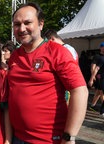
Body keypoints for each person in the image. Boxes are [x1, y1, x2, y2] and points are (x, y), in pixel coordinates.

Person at [9, 2, 88, 144]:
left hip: (48, 139)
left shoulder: (57, 52)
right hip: (17, 137)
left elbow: (80, 91)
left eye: (27, 23)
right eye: (17, 24)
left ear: (40, 24)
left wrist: (69, 136)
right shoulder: (14, 56)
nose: (21, 29)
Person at [88, 42, 104, 116]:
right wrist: (93, 76)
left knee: (98, 93)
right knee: (101, 92)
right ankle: (103, 110)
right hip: (99, 77)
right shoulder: (97, 56)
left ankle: (92, 106)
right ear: (101, 47)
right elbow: (93, 66)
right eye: (103, 46)